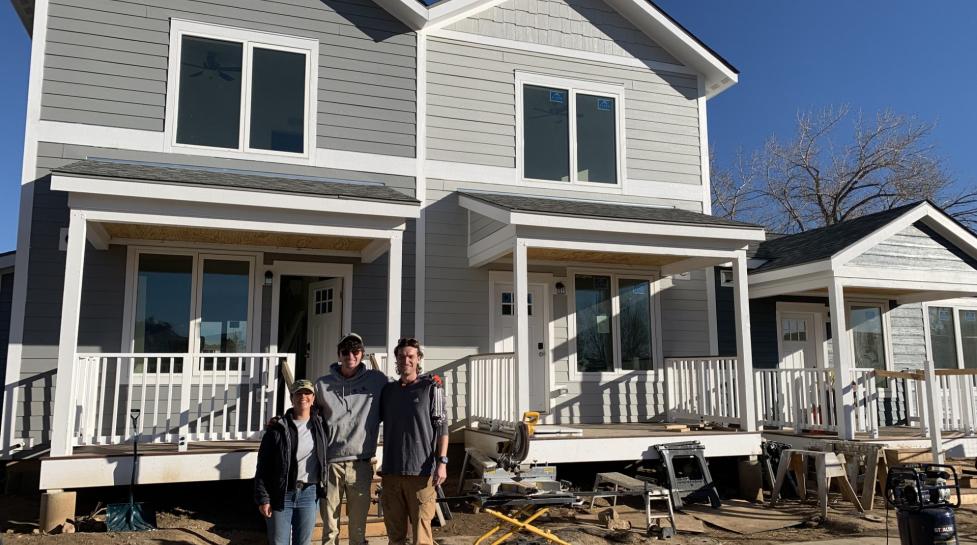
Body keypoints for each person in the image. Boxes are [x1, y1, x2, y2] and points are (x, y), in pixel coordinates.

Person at [316, 333, 389, 545]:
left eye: (355, 351)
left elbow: (401, 390)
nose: (351, 355)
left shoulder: (377, 381)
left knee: (358, 528)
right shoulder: (322, 385)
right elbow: (306, 413)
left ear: (362, 354)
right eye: (345, 351)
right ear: (339, 355)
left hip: (361, 464)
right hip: (330, 465)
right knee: (330, 527)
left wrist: (427, 382)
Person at [379, 337, 449, 545]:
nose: (406, 360)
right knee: (395, 535)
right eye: (401, 356)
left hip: (421, 474)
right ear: (396, 360)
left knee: (422, 536)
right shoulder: (388, 391)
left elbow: (443, 428)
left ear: (418, 359)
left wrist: (442, 463)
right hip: (391, 472)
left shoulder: (431, 388)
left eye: (410, 356)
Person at [254, 379, 328, 545]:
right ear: (291, 397)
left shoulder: (321, 425)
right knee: (279, 542)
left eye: (307, 393)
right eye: (298, 393)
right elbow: (263, 466)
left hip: (309, 493)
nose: (303, 396)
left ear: (313, 398)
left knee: (303, 542)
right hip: (281, 494)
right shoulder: (278, 428)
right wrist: (263, 498)